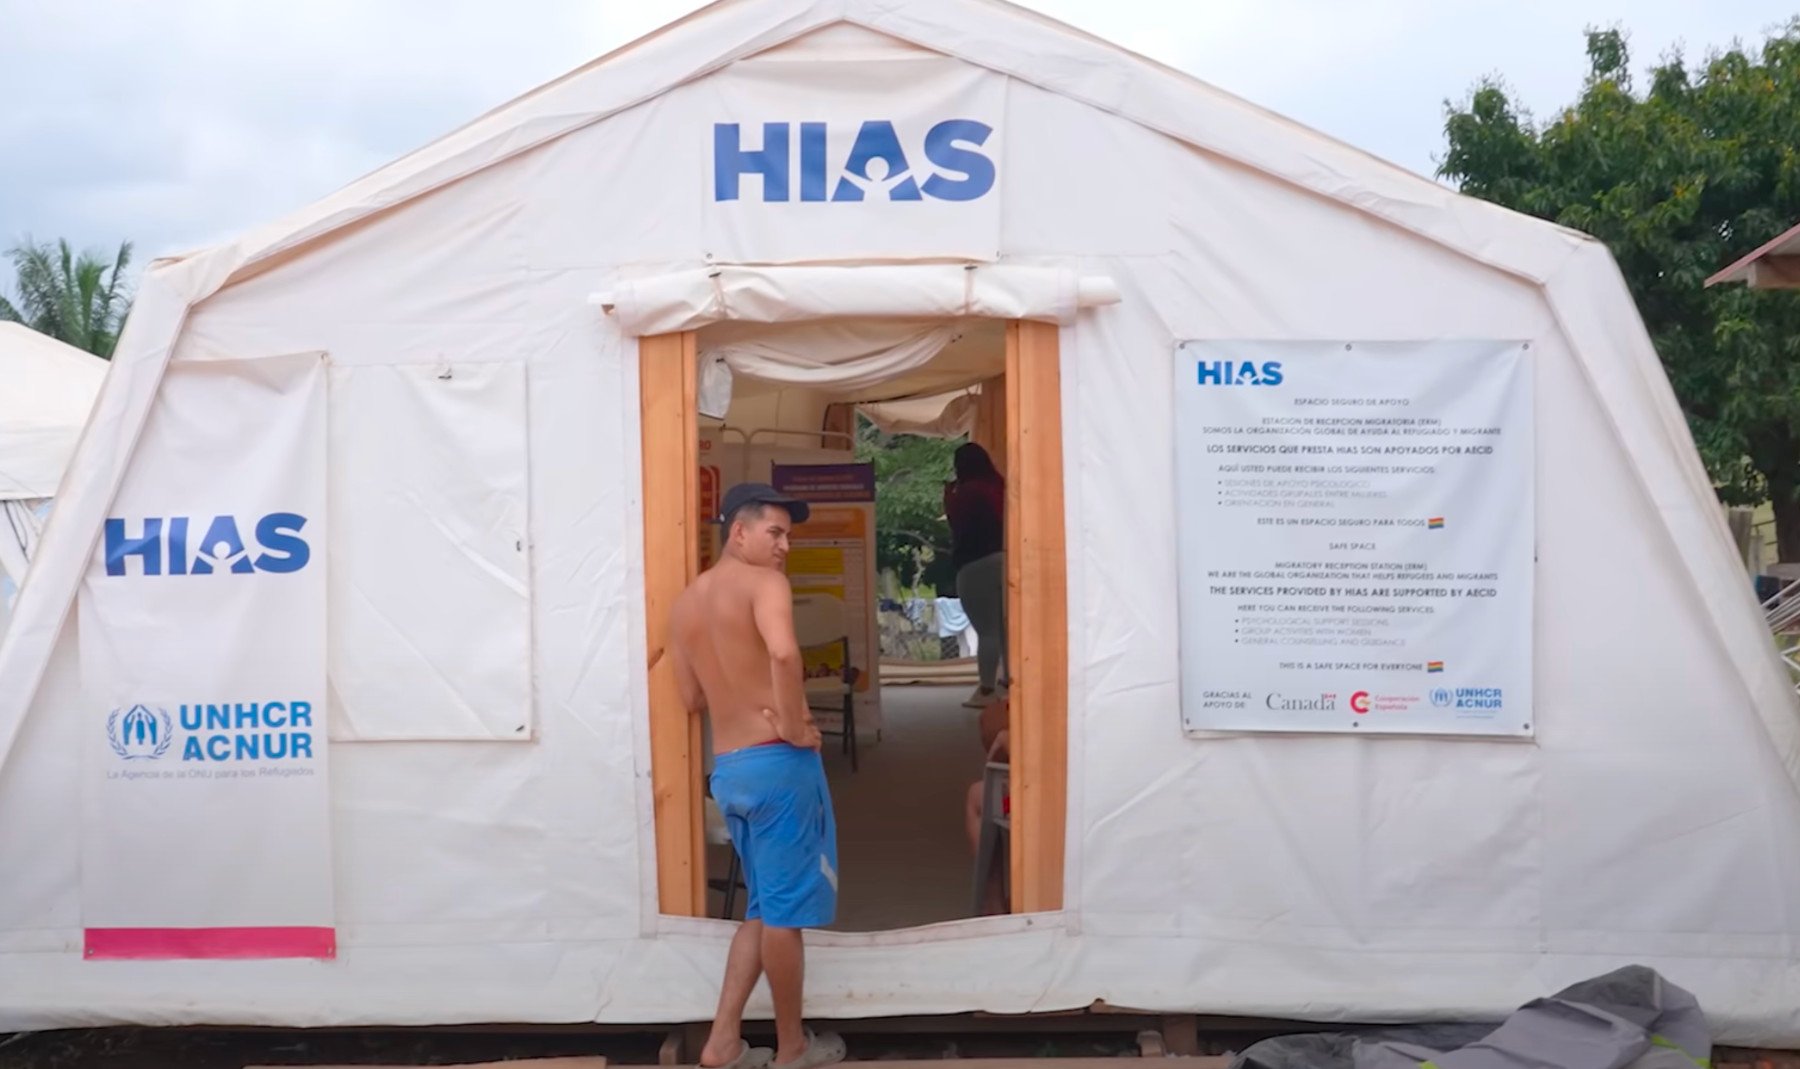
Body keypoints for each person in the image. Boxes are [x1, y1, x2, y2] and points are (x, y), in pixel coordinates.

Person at [669, 482, 848, 1069]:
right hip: (778, 765)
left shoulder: (685, 603)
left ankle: (723, 1042)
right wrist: (795, 725)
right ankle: (793, 1046)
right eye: (775, 532)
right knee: (786, 915)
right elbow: (783, 654)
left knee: (764, 907)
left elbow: (690, 696)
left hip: (732, 771)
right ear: (738, 531)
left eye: (788, 535)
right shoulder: (765, 584)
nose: (785, 547)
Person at [944, 442, 1009, 708]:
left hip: (974, 564)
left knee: (987, 630)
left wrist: (948, 499)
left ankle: (985, 690)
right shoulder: (999, 486)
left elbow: (957, 526)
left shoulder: (965, 493)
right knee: (1005, 629)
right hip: (1003, 558)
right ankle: (1009, 681)